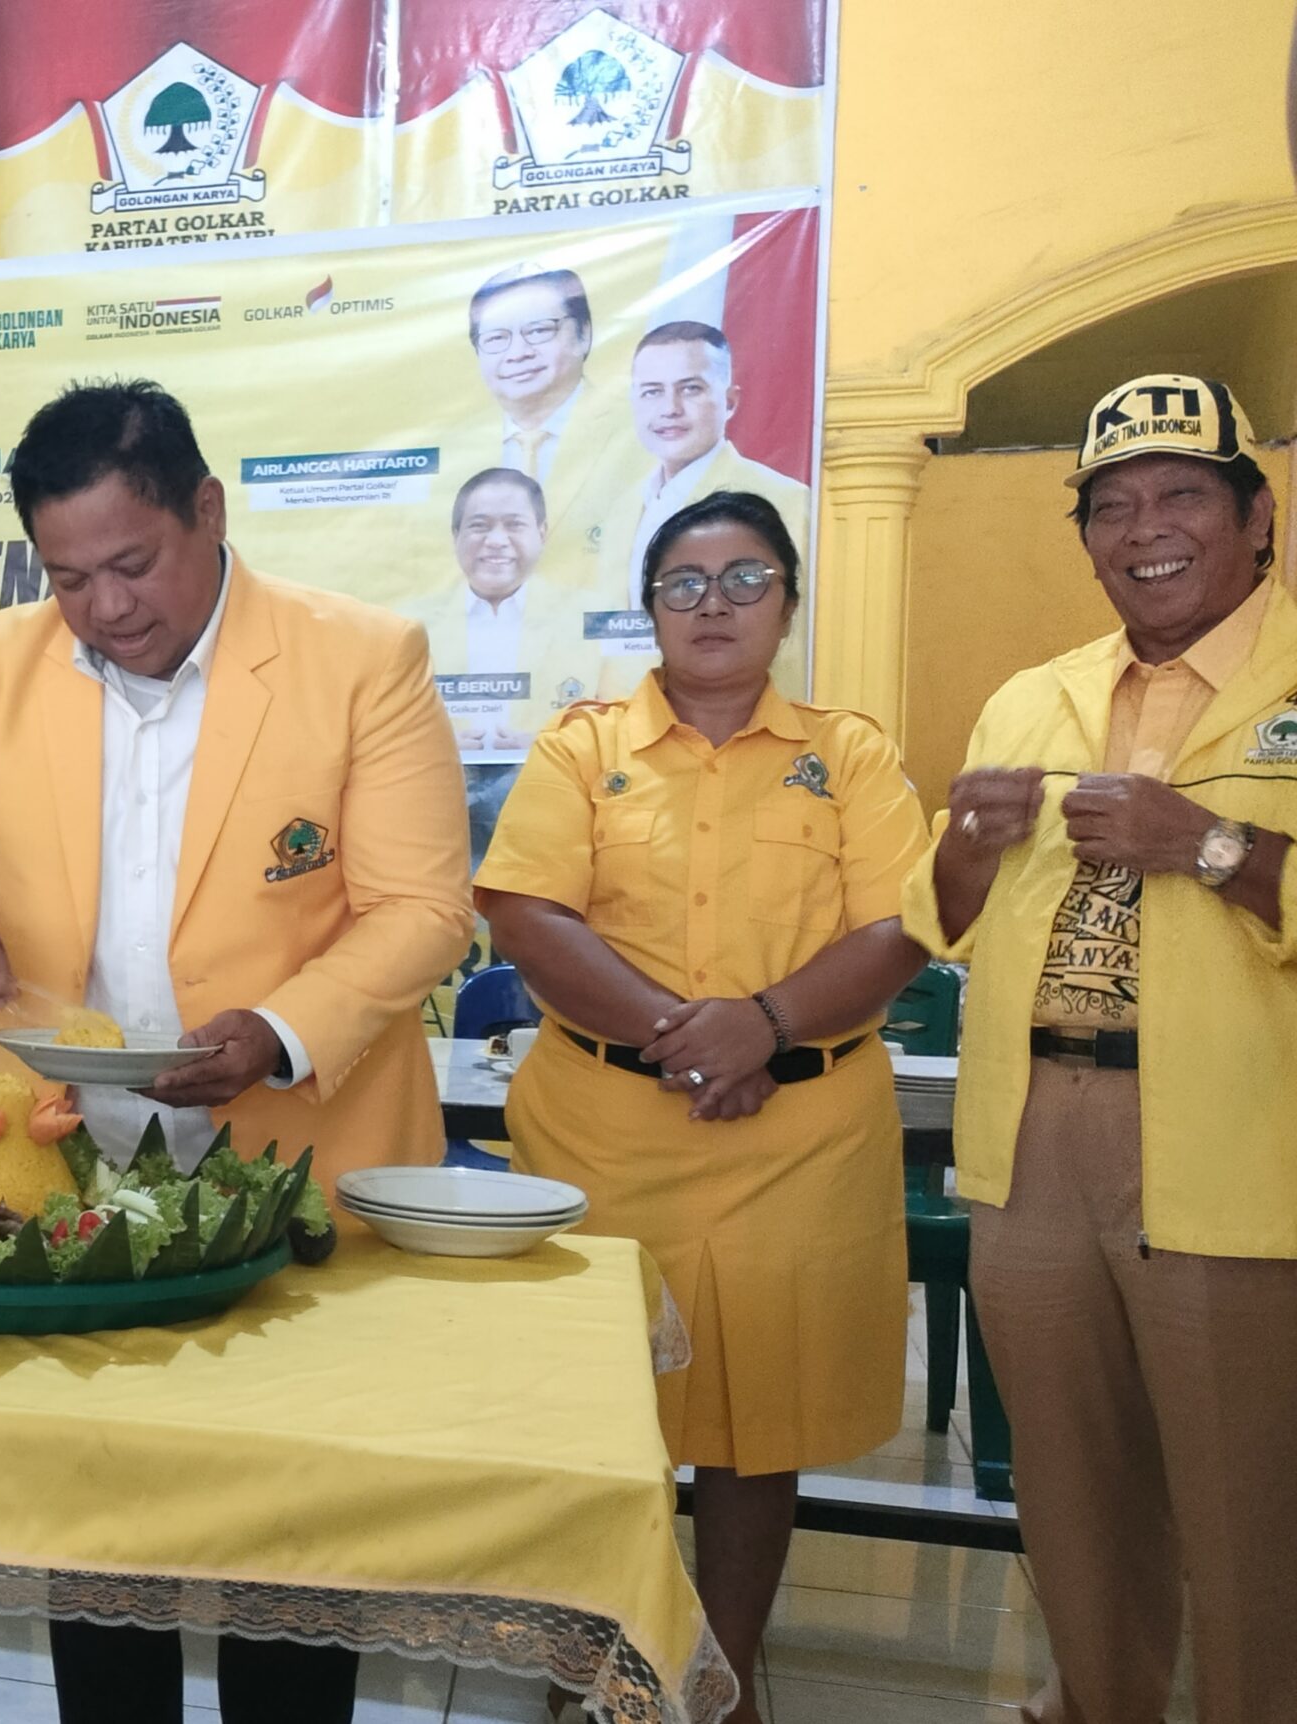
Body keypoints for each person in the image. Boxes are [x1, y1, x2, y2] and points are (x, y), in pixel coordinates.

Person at [0, 379, 472, 1724]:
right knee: (98, 1527)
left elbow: (424, 910)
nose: (106, 608)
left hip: (290, 1157)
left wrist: (284, 1030)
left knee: (295, 1540)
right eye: (69, 578)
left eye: (133, 564)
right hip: (69, 1171)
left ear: (208, 511)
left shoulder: (361, 658)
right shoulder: (1, 661)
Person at [474, 491, 928, 1724]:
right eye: (684, 582)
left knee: (752, 1423)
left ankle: (714, 1678)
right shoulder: (583, 746)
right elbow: (526, 913)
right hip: (601, 1128)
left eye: (743, 579)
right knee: (607, 1420)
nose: (712, 604)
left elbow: (899, 924)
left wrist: (765, 1025)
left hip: (798, 1135)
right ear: (649, 605)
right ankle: (598, 1666)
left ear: (786, 596)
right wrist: (690, 1038)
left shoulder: (852, 752)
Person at [898, 374, 1297, 1724]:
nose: (1146, 528)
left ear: (1258, 519)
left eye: (1183, 492)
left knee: (1251, 1531)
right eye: (1111, 506)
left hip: (1240, 1159)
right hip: (1031, 1145)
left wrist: (1213, 846)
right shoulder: (1032, 697)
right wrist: (963, 842)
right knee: (1069, 1503)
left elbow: (1224, 861)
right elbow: (936, 921)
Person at [401, 262, 637, 609]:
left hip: (602, 650)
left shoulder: (640, 431)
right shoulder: (448, 454)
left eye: (539, 331)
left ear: (584, 333)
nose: (518, 353)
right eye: (496, 338)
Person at [404, 468, 600, 863]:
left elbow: (623, 719)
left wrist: (552, 744)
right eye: (479, 526)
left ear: (542, 532)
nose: (496, 541)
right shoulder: (409, 626)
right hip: (434, 815)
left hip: (556, 812)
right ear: (455, 535)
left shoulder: (590, 619)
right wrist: (432, 747)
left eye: (514, 525)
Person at [598, 322, 814, 609]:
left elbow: (795, 631)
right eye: (652, 392)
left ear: (729, 402)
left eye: (690, 389)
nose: (670, 409)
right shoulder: (621, 509)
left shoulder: (789, 501)